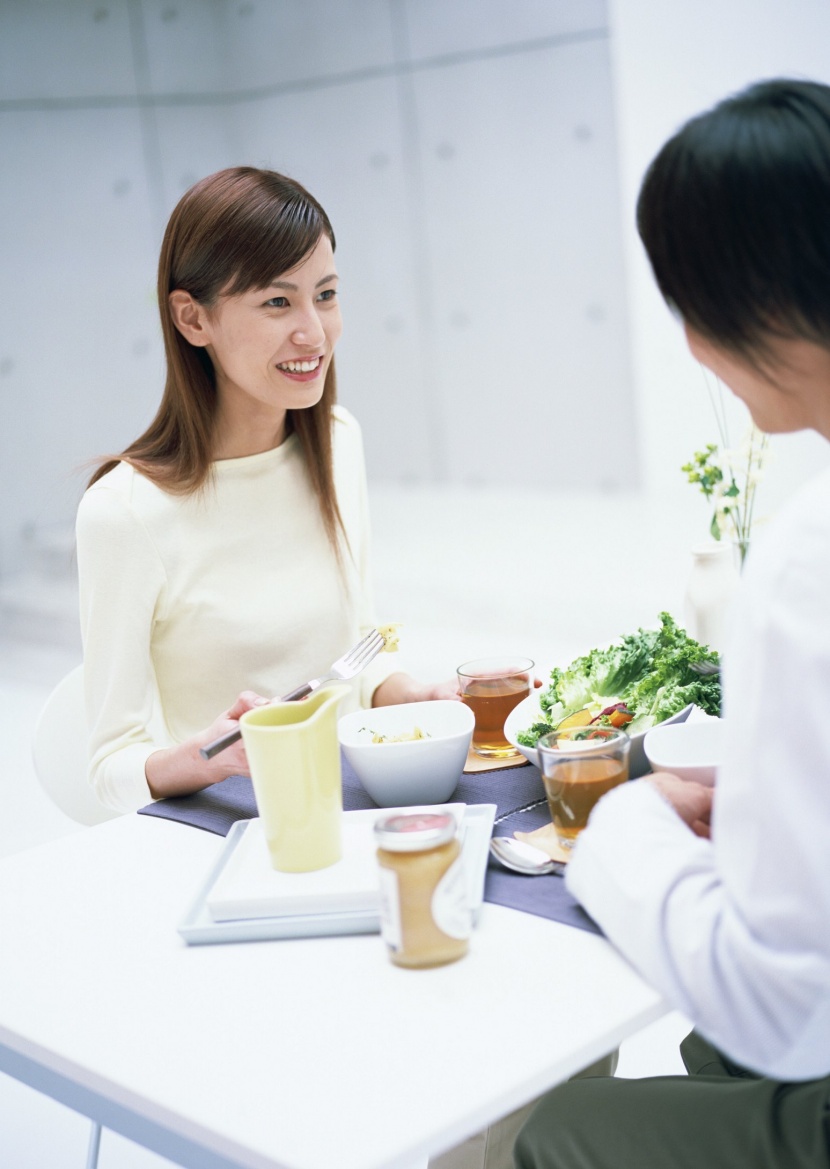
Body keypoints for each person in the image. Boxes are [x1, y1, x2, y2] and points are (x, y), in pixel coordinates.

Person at [515, 78, 830, 1169]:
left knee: (556, 1127)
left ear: (733, 310)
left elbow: (783, 1009)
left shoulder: (806, 558)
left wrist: (625, 831)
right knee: (705, 1047)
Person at [76, 166, 455, 814]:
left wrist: (406, 692)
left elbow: (355, 654)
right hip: (224, 832)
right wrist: (207, 753)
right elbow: (108, 769)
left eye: (326, 294)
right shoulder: (124, 513)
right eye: (277, 302)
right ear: (192, 319)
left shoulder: (337, 442)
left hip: (348, 804)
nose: (313, 331)